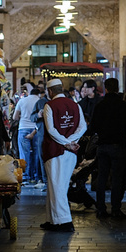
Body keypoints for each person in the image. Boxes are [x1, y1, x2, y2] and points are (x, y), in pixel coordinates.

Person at [40, 78, 86, 233]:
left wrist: (65, 142)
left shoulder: (49, 105)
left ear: (50, 91)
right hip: (71, 152)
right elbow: (83, 127)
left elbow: (51, 130)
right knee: (56, 186)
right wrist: (71, 142)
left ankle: (65, 221)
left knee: (57, 186)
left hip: (54, 151)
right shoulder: (75, 105)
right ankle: (51, 219)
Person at [90, 77, 126, 220]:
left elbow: (93, 127)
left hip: (103, 146)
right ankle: (116, 209)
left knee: (102, 178)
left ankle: (101, 209)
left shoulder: (99, 105)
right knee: (117, 179)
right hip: (118, 146)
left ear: (106, 88)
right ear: (117, 88)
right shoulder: (122, 105)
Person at [12, 86, 41, 183]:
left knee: (24, 154)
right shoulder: (40, 101)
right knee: (37, 154)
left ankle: (25, 176)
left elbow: (15, 117)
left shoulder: (22, 101)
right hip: (36, 129)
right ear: (38, 94)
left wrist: (23, 115)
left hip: (23, 128)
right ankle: (36, 176)